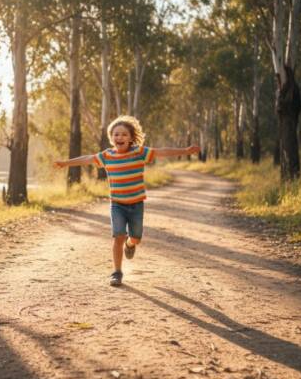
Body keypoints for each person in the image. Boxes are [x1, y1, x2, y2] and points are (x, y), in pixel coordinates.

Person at [53, 115, 200, 286]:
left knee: (135, 237)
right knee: (118, 236)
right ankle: (117, 272)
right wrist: (65, 163)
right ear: (111, 138)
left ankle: (130, 245)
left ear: (131, 138)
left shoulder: (139, 152)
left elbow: (162, 151)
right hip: (117, 205)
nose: (119, 137)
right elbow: (87, 158)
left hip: (136, 204)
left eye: (123, 134)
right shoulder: (107, 155)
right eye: (116, 134)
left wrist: (185, 151)